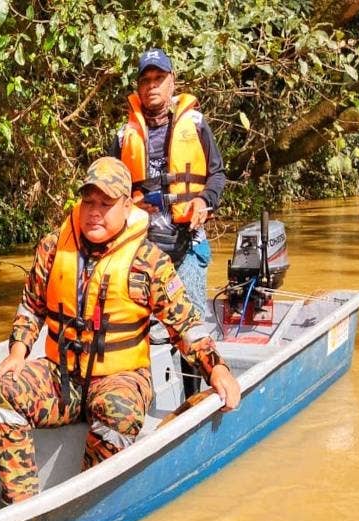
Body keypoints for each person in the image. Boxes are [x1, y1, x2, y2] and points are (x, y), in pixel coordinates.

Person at [0, 157, 239, 506]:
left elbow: (185, 325)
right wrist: (17, 353)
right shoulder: (53, 246)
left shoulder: (148, 261)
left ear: (127, 205)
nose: (94, 212)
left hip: (121, 375)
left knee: (119, 410)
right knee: (3, 389)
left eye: (106, 204)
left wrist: (217, 367)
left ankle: (89, 502)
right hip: (63, 375)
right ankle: (20, 507)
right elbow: (31, 306)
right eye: (88, 202)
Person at [110, 47, 227, 395]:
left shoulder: (197, 125)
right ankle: (137, 394)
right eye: (145, 80)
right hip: (141, 246)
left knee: (189, 321)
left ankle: (196, 397)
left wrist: (205, 202)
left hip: (186, 241)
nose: (152, 87)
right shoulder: (122, 137)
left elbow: (217, 175)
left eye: (159, 79)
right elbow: (109, 191)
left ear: (172, 82)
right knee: (134, 322)